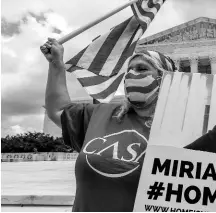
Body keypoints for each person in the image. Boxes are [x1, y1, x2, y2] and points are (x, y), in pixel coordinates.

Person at [40, 38, 177, 212]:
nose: (132, 74)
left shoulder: (179, 131)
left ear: (165, 79)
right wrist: (56, 64)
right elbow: (58, 110)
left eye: (142, 69)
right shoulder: (101, 114)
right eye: (129, 70)